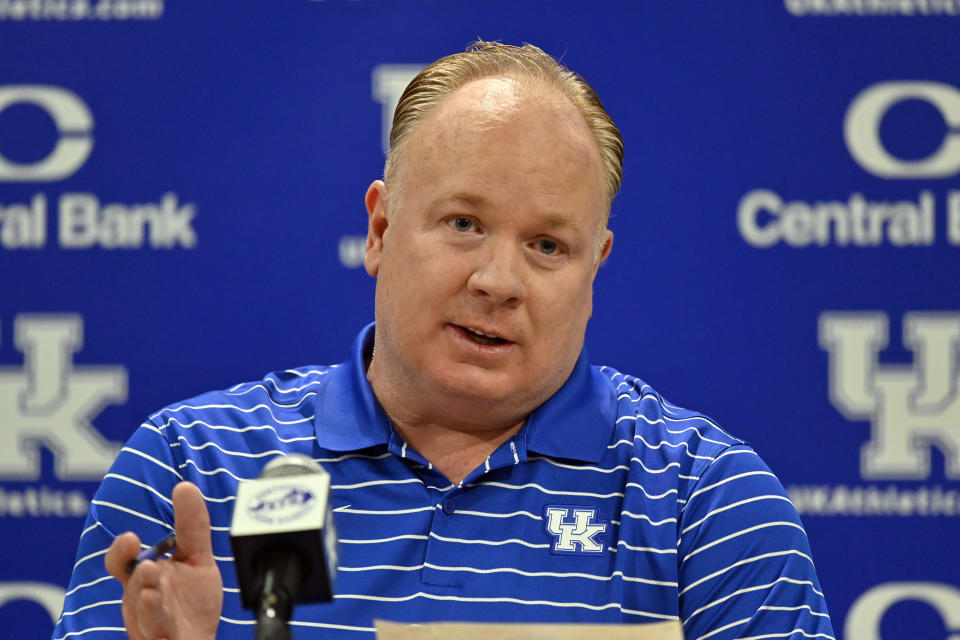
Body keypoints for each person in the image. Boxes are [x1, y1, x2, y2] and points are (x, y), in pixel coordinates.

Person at [53, 42, 835, 640]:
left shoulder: (709, 504)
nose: (500, 280)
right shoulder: (192, 471)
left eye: (548, 246)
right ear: (381, 228)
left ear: (594, 269)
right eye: (464, 224)